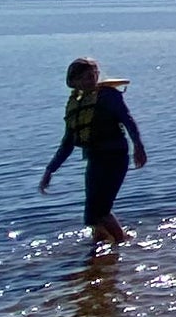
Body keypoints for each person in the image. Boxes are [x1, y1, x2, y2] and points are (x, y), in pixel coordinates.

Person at [39, 57, 146, 249]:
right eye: (86, 77)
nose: (92, 80)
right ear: (73, 81)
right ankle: (101, 249)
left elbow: (128, 120)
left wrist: (138, 146)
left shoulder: (108, 96)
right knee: (92, 214)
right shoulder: (76, 103)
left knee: (99, 210)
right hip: (95, 159)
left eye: (94, 76)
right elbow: (68, 143)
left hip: (114, 157)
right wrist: (50, 171)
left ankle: (122, 244)